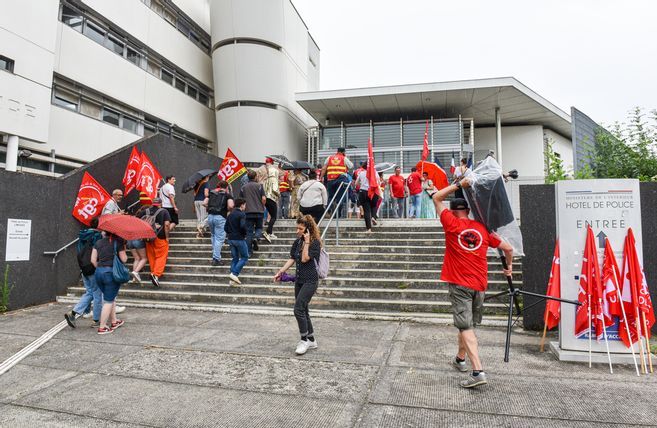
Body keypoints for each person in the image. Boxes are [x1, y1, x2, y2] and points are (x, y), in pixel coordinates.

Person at [432, 179, 513, 389]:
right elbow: (509, 248)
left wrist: (459, 184)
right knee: (466, 324)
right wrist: (509, 268)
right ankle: (460, 358)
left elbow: (436, 196)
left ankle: (477, 371)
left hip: (459, 284)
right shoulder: (482, 228)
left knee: (466, 326)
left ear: (451, 210)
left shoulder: (450, 223)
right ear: (468, 209)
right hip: (479, 285)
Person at [274, 215, 322, 355]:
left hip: (311, 281)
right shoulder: (297, 242)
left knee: (298, 309)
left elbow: (305, 258)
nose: (297, 231)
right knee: (304, 310)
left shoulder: (315, 243)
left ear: (308, 229)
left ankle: (304, 340)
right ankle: (311, 339)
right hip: (299, 280)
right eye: (297, 228)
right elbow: (292, 259)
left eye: (300, 228)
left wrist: (307, 242)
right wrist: (280, 272)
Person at [65, 218, 103, 328]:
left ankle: (72, 314)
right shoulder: (97, 236)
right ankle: (96, 320)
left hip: (84, 268)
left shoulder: (83, 235)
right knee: (97, 295)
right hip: (93, 268)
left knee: (90, 292)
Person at [91, 232, 128, 334]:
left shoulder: (98, 242)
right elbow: (124, 259)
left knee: (110, 298)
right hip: (111, 274)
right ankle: (102, 327)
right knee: (108, 301)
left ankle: (114, 321)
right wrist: (123, 248)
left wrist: (101, 268)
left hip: (99, 272)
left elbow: (93, 260)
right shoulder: (118, 242)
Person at [143, 197, 171, 287]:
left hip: (148, 237)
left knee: (151, 256)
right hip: (160, 237)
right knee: (161, 256)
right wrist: (167, 237)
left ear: (152, 203)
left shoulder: (145, 211)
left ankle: (153, 272)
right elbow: (166, 225)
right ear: (160, 204)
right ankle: (155, 274)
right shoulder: (164, 211)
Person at [205, 180, 234, 266]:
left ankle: (216, 256)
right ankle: (216, 259)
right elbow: (231, 206)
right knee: (220, 238)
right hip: (220, 217)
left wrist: (211, 207)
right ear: (227, 187)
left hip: (210, 217)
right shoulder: (227, 195)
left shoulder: (212, 193)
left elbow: (204, 203)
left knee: (213, 236)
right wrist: (228, 210)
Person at [240, 170, 266, 256]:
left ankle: (249, 252)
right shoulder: (260, 186)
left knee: (249, 232)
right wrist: (263, 206)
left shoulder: (243, 187)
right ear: (255, 177)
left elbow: (241, 200)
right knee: (259, 227)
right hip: (259, 211)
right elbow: (264, 199)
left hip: (248, 212)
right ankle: (256, 237)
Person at [322, 147, 353, 217]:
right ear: (343, 152)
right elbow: (351, 166)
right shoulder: (344, 158)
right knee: (340, 197)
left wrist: (321, 177)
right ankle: (337, 215)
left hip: (330, 180)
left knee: (330, 196)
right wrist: (345, 158)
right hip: (340, 180)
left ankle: (328, 209)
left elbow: (324, 168)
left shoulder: (329, 158)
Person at [224, 198, 248, 284]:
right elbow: (242, 226)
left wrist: (231, 233)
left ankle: (232, 278)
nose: (245, 206)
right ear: (242, 205)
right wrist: (244, 234)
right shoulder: (242, 214)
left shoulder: (230, 214)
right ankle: (234, 274)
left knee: (235, 258)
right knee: (245, 257)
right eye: (245, 205)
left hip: (230, 239)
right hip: (239, 239)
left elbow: (225, 228)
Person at [258, 158, 280, 242]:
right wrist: (278, 194)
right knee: (274, 216)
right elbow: (275, 189)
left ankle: (269, 232)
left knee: (271, 214)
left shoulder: (265, 176)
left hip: (265, 197)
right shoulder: (274, 176)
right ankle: (268, 232)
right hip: (271, 197)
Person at [354, 162, 380, 233]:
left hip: (364, 192)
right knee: (374, 206)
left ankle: (369, 229)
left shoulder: (361, 173)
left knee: (366, 210)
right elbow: (378, 182)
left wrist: (362, 183)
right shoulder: (375, 172)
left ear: (364, 167)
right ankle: (373, 217)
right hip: (373, 191)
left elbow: (356, 183)